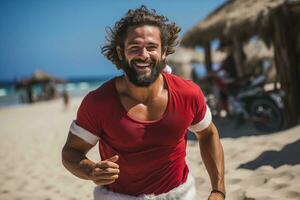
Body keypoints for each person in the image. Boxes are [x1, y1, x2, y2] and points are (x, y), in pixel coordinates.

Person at [62, 6, 225, 200]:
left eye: (151, 47)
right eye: (134, 47)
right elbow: (71, 152)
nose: (144, 54)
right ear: (121, 52)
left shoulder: (187, 94)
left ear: (164, 51)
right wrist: (91, 171)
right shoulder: (98, 103)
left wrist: (218, 190)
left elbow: (208, 133)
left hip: (179, 195)